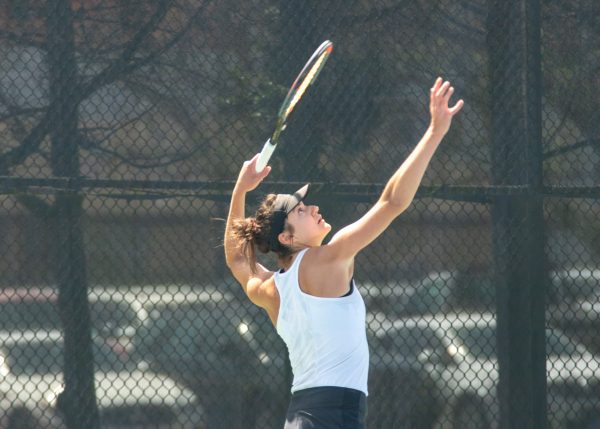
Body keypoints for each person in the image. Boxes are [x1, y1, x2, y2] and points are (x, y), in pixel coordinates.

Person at [224, 77, 463, 429]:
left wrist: (240, 188)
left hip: (301, 417)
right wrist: (434, 133)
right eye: (301, 210)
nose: (313, 207)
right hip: (331, 418)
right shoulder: (326, 260)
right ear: (288, 238)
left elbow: (237, 259)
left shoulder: (272, 291)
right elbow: (392, 201)